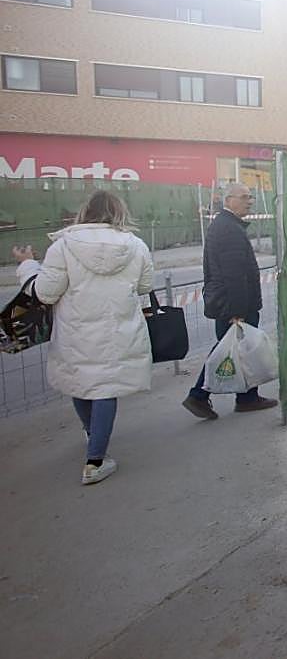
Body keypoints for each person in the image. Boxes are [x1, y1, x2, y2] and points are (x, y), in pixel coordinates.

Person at [12, 190, 154, 485]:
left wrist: (27, 265)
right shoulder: (136, 245)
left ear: (85, 211)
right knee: (106, 388)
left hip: (75, 332)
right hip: (119, 331)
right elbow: (144, 286)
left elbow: (45, 293)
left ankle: (93, 440)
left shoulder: (63, 246)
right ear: (119, 212)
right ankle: (95, 460)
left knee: (80, 382)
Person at [182, 183, 276, 419]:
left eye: (251, 197)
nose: (250, 201)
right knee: (229, 350)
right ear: (228, 200)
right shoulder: (229, 229)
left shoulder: (225, 225)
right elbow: (234, 274)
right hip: (235, 305)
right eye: (244, 197)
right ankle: (199, 395)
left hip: (229, 303)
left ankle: (246, 398)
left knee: (239, 349)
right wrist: (238, 311)